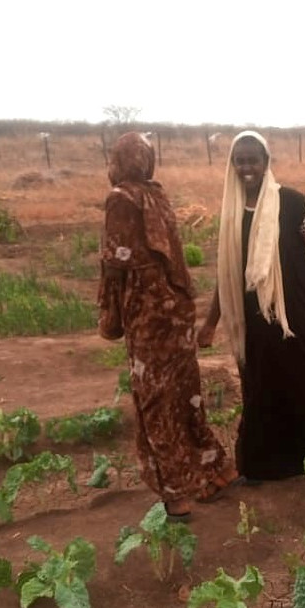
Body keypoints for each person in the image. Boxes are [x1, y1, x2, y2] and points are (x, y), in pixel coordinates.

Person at [198, 130, 305, 487]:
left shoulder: (294, 202)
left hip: (295, 315)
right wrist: (209, 324)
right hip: (254, 324)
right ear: (231, 165)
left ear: (266, 163)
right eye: (239, 160)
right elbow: (227, 275)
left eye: (252, 159)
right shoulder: (232, 213)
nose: (246, 166)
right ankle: (261, 466)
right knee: (261, 390)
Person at [98, 132, 237, 521]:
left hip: (147, 313)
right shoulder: (156, 194)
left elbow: (114, 262)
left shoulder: (120, 198)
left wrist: (109, 317)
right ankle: (214, 471)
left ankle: (176, 492)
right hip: (177, 310)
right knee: (184, 391)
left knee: (155, 399)